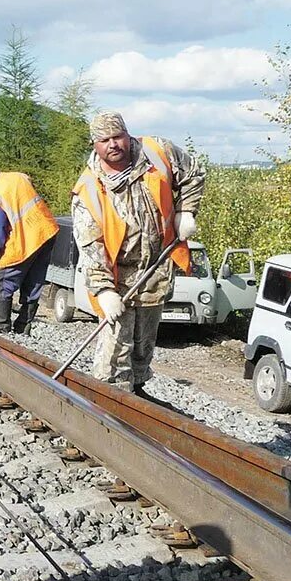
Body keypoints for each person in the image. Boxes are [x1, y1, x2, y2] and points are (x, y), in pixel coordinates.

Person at [71, 111, 205, 393]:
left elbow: (193, 173)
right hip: (117, 276)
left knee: (144, 342)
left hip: (156, 267)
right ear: (94, 144)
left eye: (117, 136)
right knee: (115, 348)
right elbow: (90, 246)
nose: (113, 144)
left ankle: (138, 389)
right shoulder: (88, 191)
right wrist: (104, 291)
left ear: (127, 134)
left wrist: (186, 211)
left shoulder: (157, 152)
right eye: (104, 140)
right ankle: (110, 397)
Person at [0, 160, 58, 334]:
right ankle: (23, 325)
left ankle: (2, 323)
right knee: (34, 280)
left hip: (27, 238)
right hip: (47, 232)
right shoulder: (18, 177)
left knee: (5, 279)